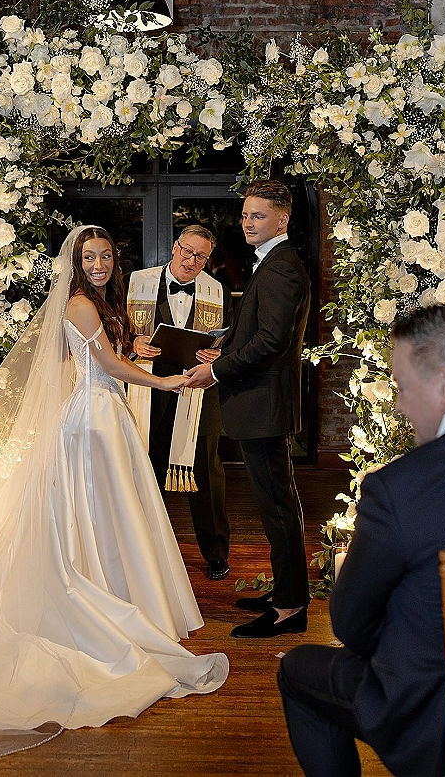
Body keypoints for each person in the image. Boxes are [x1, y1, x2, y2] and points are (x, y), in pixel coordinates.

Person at [0, 224, 228, 771]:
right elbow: (106, 368)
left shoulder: (93, 305)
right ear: (75, 262)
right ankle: (105, 597)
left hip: (103, 415)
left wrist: (132, 353)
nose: (100, 264)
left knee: (108, 513)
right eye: (90, 256)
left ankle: (118, 591)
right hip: (92, 421)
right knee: (102, 510)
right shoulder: (81, 305)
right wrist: (170, 383)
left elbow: (91, 358)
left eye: (106, 255)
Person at [277, 303, 445, 777]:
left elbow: (350, 622)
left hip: (435, 715)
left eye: (401, 387)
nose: (397, 404)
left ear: (441, 385)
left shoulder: (401, 489)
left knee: (297, 670)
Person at [185, 180, 310, 637]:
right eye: (244, 216)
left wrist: (217, 373)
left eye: (258, 215)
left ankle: (291, 609)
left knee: (278, 507)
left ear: (282, 219)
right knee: (277, 505)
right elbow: (256, 332)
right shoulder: (274, 263)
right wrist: (224, 348)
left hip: (263, 405)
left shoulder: (281, 267)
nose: (247, 223)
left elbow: (273, 342)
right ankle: (285, 592)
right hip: (262, 402)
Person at [126, 225, 232, 581]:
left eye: (200, 256)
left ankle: (216, 553)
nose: (191, 260)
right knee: (146, 468)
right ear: (174, 247)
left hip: (197, 391)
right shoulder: (135, 283)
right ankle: (144, 550)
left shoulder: (217, 292)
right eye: (186, 251)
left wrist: (214, 354)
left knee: (206, 473)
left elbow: (226, 340)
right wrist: (133, 344)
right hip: (148, 391)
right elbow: (111, 331)